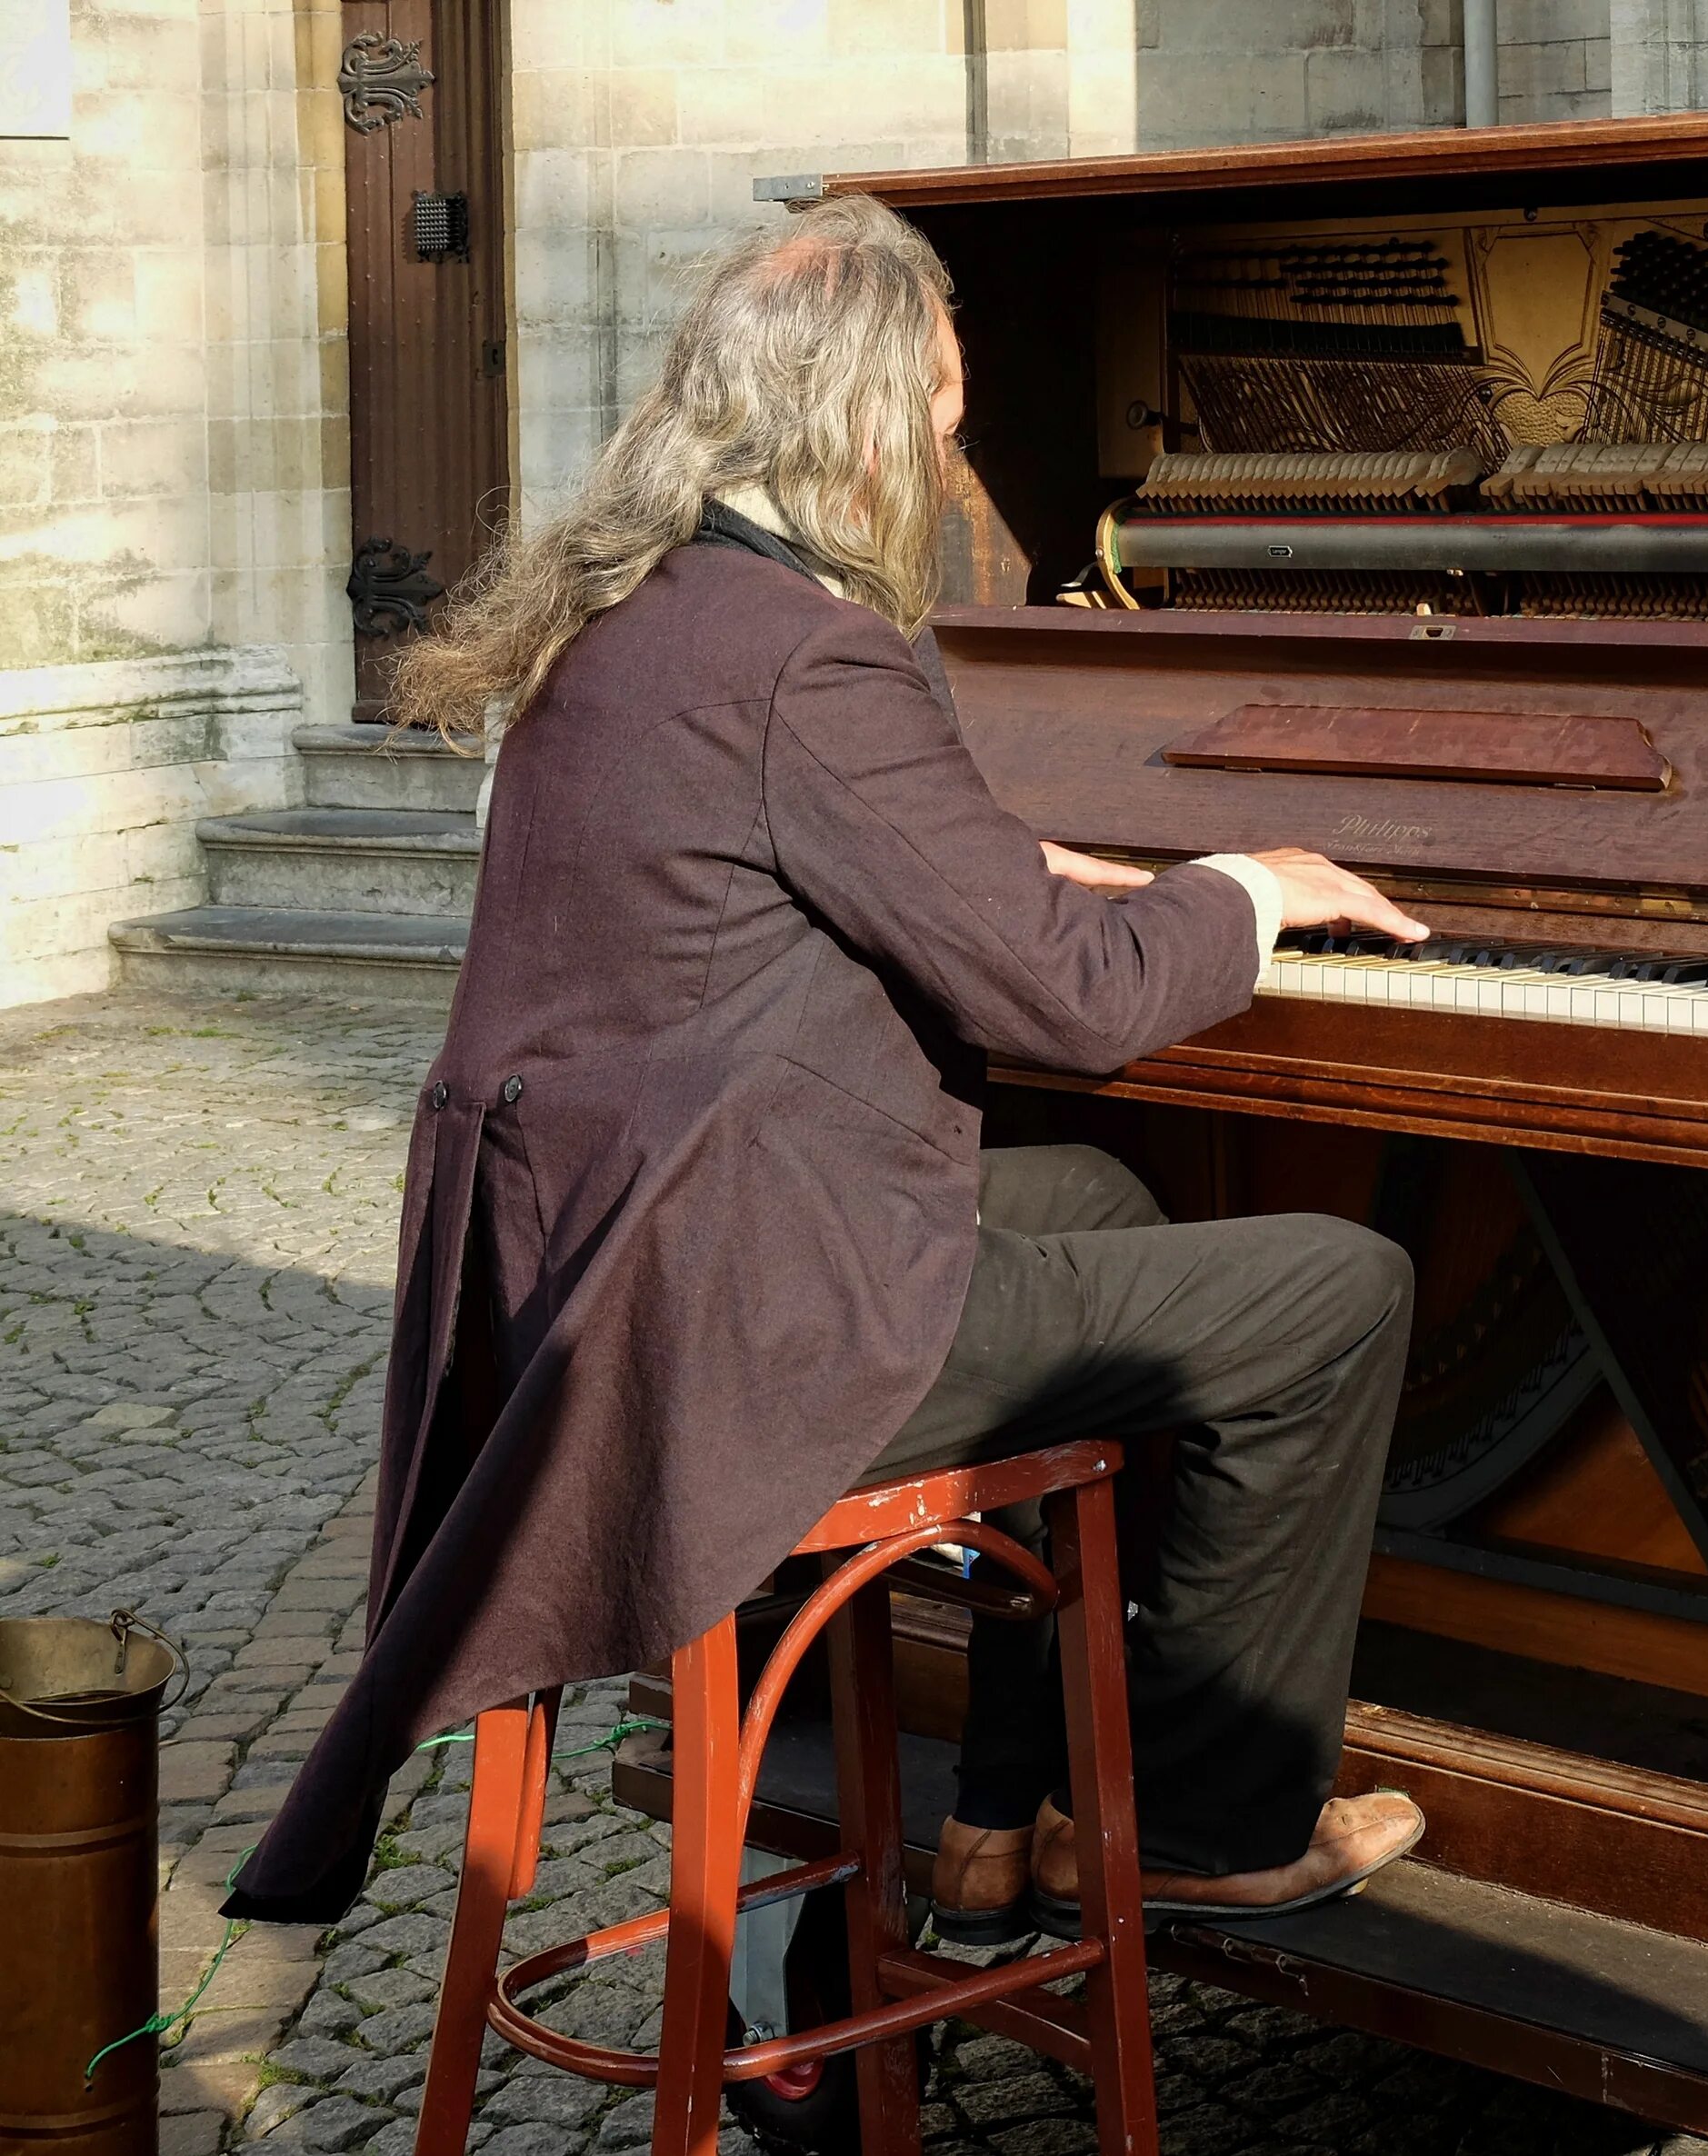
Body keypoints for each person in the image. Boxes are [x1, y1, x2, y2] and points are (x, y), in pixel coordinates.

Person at [225, 196, 1431, 1936]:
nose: (956, 467)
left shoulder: (640, 615)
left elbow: (811, 869)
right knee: (1340, 1283)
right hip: (726, 1331)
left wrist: (1016, 871)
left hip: (618, 1277)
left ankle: (1003, 1810)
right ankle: (1205, 1822)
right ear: (863, 420)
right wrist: (1241, 888)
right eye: (943, 425)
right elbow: (1073, 1007)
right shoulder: (813, 655)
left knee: (1098, 1191)